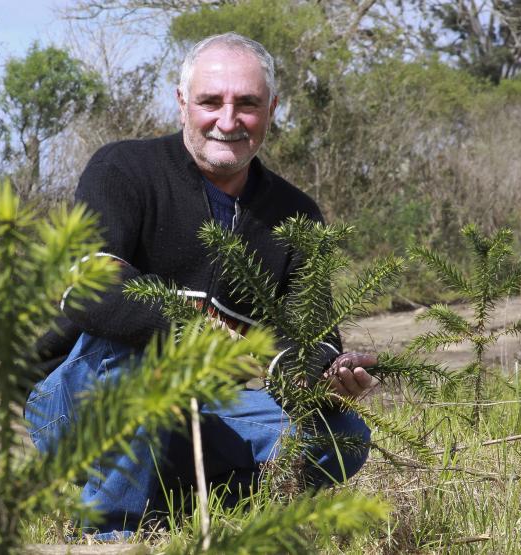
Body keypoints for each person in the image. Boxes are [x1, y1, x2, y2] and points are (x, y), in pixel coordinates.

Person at [25, 32, 377, 539]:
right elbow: (90, 290)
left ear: (272, 109)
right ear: (182, 103)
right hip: (75, 403)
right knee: (137, 354)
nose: (228, 121)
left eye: (248, 104)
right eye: (211, 101)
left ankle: (179, 506)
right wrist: (200, 334)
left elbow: (309, 341)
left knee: (343, 437)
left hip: (198, 413)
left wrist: (325, 377)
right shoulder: (123, 168)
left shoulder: (297, 216)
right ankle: (111, 533)